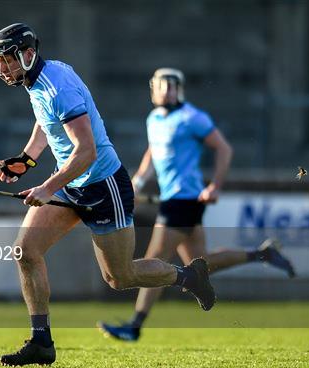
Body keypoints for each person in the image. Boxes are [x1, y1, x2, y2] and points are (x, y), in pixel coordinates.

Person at [0, 24, 216, 367]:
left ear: (28, 53)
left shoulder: (57, 87)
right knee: (25, 250)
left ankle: (189, 276)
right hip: (71, 182)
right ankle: (41, 342)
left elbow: (86, 152)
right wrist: (27, 159)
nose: (2, 69)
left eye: (7, 60)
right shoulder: (39, 80)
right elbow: (45, 122)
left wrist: (47, 188)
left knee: (119, 278)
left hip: (102, 185)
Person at [98, 68, 296, 341]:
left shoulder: (192, 117)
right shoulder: (153, 118)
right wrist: (138, 183)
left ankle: (135, 325)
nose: (167, 90)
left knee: (157, 257)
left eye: (173, 85)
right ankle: (263, 254)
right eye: (162, 85)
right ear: (152, 89)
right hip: (173, 199)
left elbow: (224, 148)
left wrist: (214, 185)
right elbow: (153, 153)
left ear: (180, 89)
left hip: (185, 199)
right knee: (201, 263)